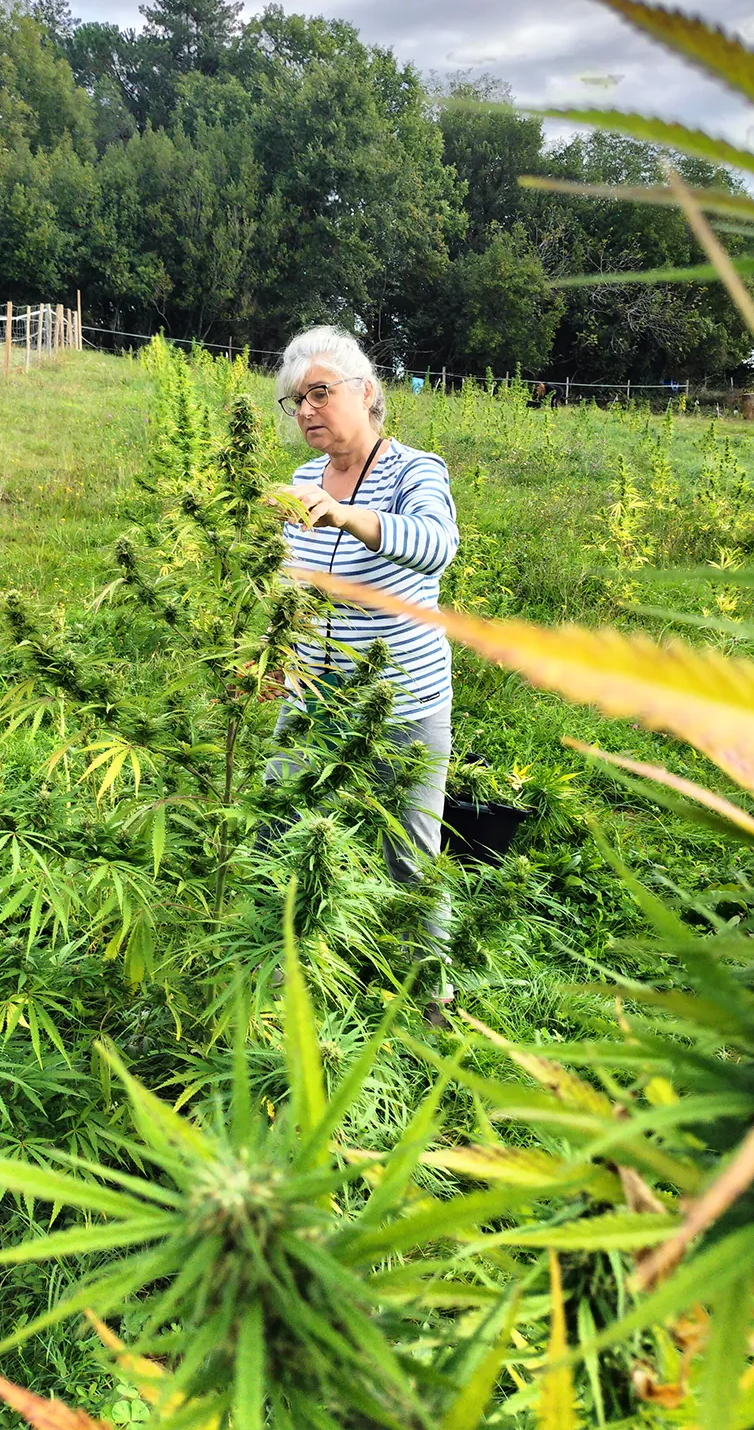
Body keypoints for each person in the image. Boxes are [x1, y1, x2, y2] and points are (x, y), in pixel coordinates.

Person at [263, 326, 459, 1015]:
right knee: (278, 821)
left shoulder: (415, 471)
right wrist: (272, 657)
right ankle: (288, 964)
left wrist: (350, 517)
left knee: (408, 851)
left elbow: (436, 547)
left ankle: (432, 1000)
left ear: (366, 392)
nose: (308, 410)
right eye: (296, 401)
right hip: (311, 695)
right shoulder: (301, 481)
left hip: (401, 700)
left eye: (319, 393)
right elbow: (292, 578)